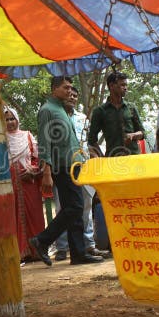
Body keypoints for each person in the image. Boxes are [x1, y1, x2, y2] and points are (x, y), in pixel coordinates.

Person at [29, 76, 103, 266]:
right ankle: (42, 240)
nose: (70, 91)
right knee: (75, 207)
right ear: (54, 89)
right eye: (66, 88)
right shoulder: (47, 110)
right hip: (62, 167)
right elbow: (45, 144)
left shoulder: (63, 109)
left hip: (75, 166)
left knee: (76, 209)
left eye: (71, 88)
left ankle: (78, 254)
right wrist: (46, 172)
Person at [52, 88, 105, 261]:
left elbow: (88, 142)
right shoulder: (57, 117)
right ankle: (61, 247)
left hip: (84, 164)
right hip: (64, 166)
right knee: (63, 207)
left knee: (86, 205)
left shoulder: (83, 118)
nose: (72, 97)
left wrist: (95, 157)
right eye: (70, 94)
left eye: (75, 95)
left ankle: (88, 244)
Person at [3, 106, 44, 260]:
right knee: (13, 215)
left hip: (29, 180)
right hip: (10, 180)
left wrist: (32, 170)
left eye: (12, 118)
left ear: (17, 119)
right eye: (6, 120)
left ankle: (37, 250)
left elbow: (36, 158)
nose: (10, 122)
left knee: (34, 213)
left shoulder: (27, 136)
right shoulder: (1, 139)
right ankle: (20, 252)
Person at [88, 71, 146, 158]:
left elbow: (142, 133)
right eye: (122, 85)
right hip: (113, 160)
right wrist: (102, 158)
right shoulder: (100, 111)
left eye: (126, 85)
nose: (125, 88)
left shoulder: (131, 108)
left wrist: (133, 135)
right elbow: (92, 139)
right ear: (111, 86)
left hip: (134, 158)